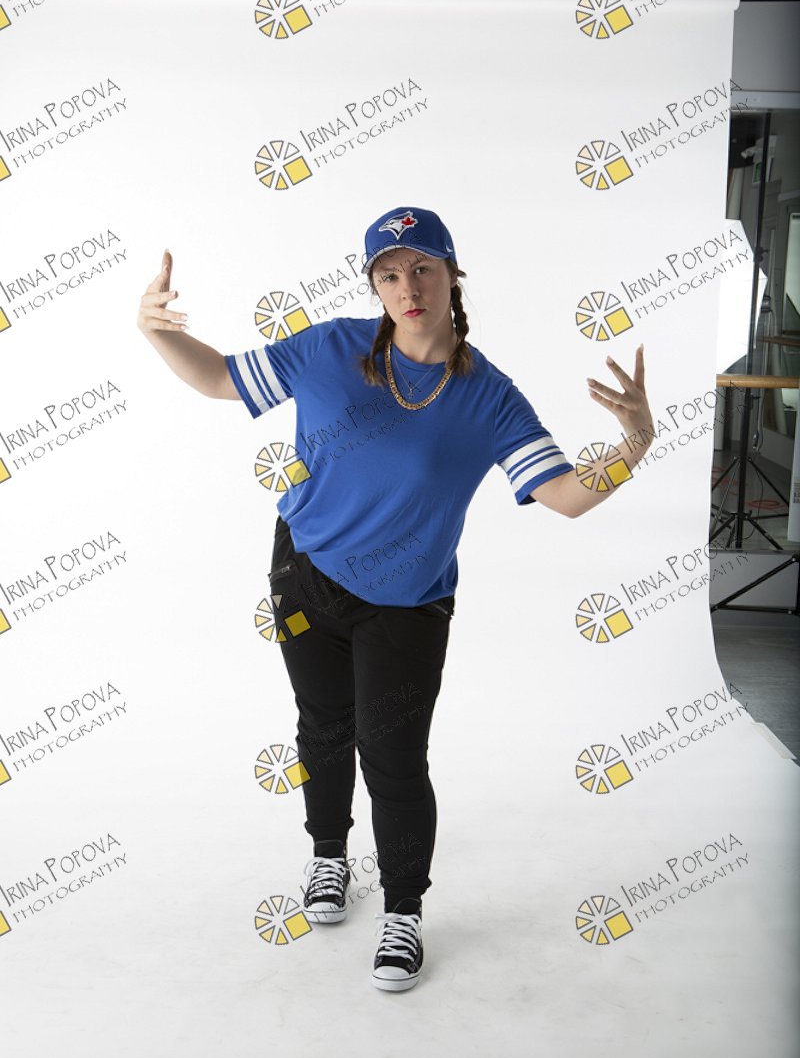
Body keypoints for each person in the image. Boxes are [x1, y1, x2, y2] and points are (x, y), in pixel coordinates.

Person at [137, 205, 654, 993]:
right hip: (304, 572)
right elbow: (217, 377)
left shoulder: (489, 397)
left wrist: (634, 443)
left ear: (452, 276)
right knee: (322, 724)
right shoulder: (328, 348)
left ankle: (404, 909)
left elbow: (567, 495)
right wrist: (155, 330)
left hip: (407, 603)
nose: (407, 286)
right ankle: (328, 857)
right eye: (388, 273)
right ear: (374, 285)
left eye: (422, 268)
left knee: (394, 757)